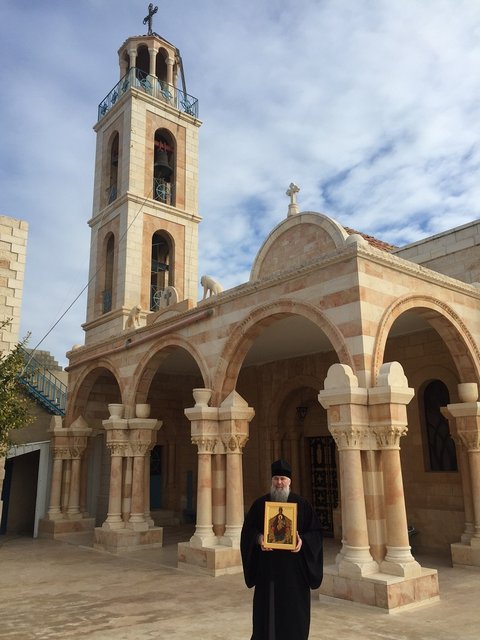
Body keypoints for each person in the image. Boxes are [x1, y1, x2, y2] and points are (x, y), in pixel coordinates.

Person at [241, 459, 323, 640]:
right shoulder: (260, 505)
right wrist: (259, 539)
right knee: (267, 615)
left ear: (289, 481)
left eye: (283, 479)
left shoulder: (302, 505)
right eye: (276, 479)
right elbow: (247, 532)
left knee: (293, 617)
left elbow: (316, 534)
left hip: (294, 574)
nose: (279, 483)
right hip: (268, 572)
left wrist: (302, 541)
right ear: (272, 480)